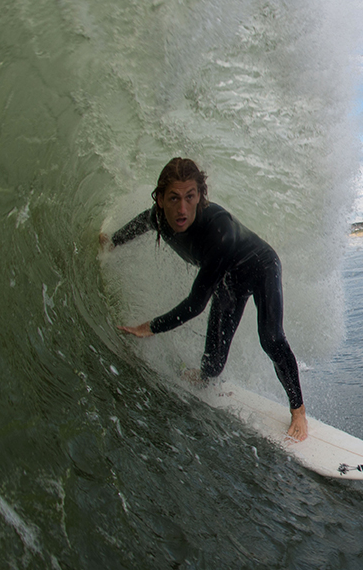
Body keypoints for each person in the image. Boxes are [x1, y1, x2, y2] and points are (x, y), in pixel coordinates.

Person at [101, 158, 308, 441]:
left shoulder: (218, 231)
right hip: (228, 278)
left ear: (200, 196)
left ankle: (298, 410)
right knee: (211, 366)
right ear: (160, 200)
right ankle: (204, 375)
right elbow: (141, 223)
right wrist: (112, 241)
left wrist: (149, 327)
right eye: (174, 198)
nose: (182, 209)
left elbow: (195, 305)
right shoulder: (158, 217)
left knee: (270, 337)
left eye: (190, 197)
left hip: (260, 266)